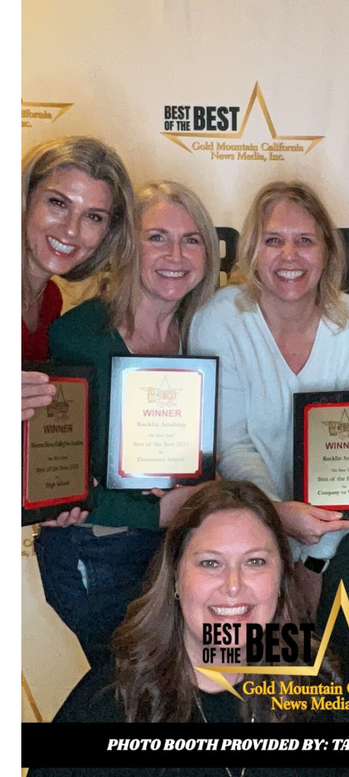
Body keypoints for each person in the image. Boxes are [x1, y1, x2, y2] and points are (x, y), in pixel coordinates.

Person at [27, 481, 349, 777]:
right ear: (176, 580)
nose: (233, 585)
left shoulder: (329, 683)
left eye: (255, 562)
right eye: (210, 563)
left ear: (280, 580)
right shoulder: (106, 703)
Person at [188, 181, 349, 642]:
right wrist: (275, 520)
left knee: (323, 684)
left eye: (305, 240)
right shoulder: (218, 320)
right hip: (244, 532)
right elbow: (232, 442)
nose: (289, 256)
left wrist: (314, 557)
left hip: (337, 543)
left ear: (327, 249)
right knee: (242, 669)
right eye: (273, 240)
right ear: (252, 251)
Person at [34, 181, 219, 665]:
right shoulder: (78, 335)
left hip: (178, 551)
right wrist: (153, 514)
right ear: (126, 246)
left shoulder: (203, 333)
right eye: (156, 237)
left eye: (192, 239)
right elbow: (54, 485)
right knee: (127, 695)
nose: (175, 254)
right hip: (98, 552)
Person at [22, 136, 135, 526]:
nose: (71, 230)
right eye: (57, 203)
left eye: (93, 217)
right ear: (24, 199)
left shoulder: (50, 300)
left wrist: (47, 487)